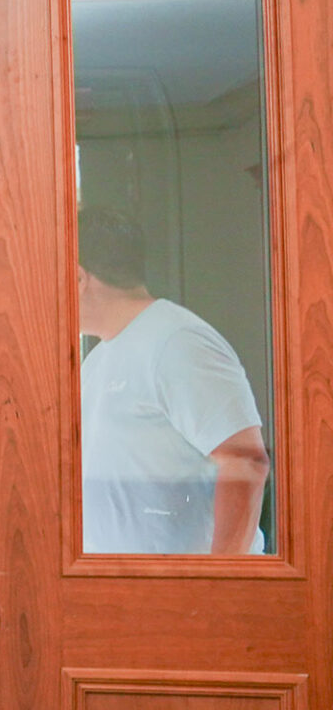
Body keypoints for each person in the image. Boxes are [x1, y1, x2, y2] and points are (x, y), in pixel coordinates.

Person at [77, 207, 270, 555]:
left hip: (190, 600)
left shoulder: (178, 341)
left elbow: (245, 461)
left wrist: (221, 582)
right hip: (119, 595)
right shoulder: (96, 360)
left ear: (78, 278)